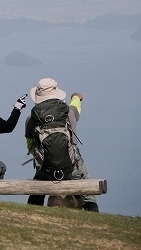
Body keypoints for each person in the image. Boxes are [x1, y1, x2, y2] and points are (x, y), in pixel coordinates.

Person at [24, 77, 99, 212]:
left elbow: (30, 148)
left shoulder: (31, 119)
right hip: (71, 168)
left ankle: (32, 213)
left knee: (36, 190)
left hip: (46, 170)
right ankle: (93, 213)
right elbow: (76, 107)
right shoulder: (69, 112)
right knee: (88, 188)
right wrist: (76, 97)